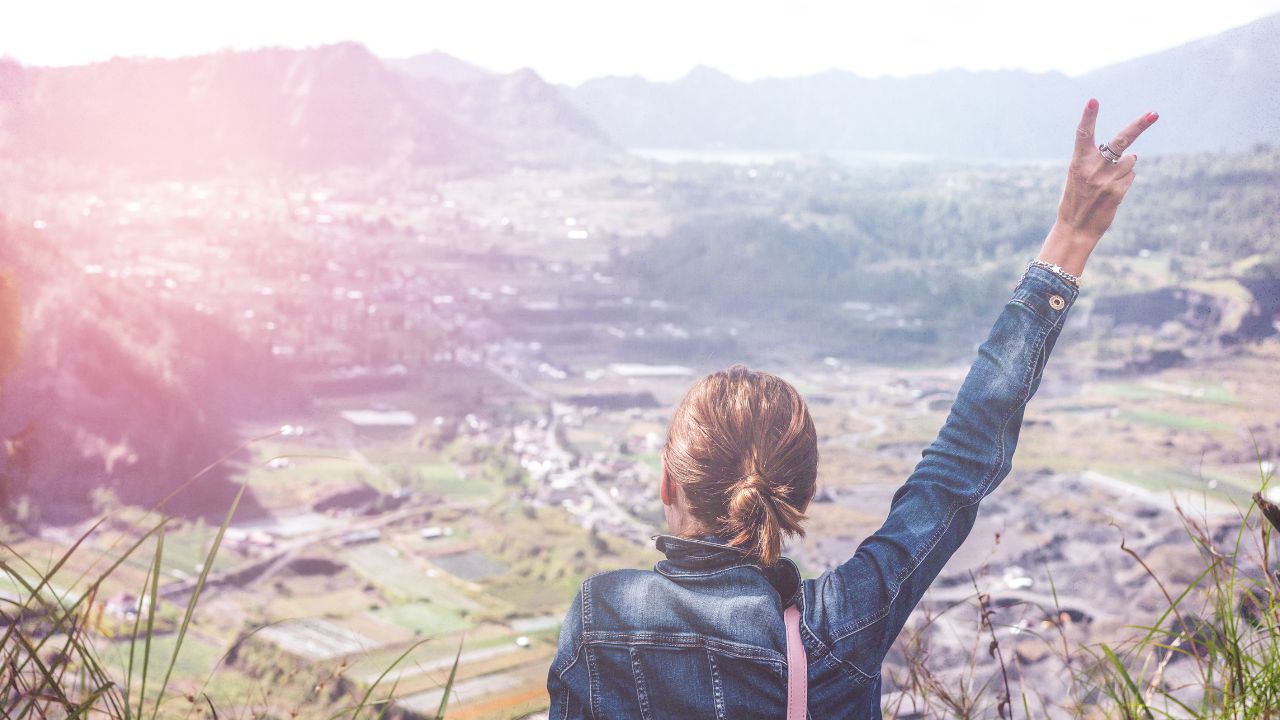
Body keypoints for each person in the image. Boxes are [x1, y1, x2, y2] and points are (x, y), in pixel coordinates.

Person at [547, 99, 1158, 719]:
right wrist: (1072, 238)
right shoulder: (837, 630)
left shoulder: (601, 619)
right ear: (801, 496)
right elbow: (958, 467)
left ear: (667, 482)